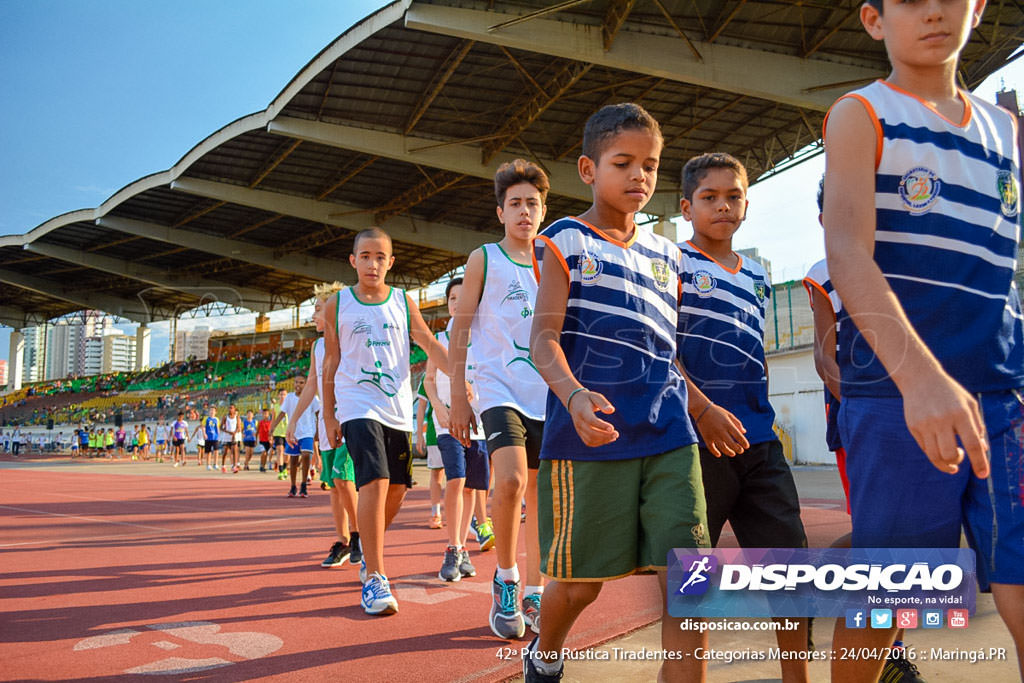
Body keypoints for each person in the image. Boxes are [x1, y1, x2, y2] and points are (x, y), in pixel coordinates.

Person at [823, 1, 1024, 679]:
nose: (933, 10)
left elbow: (1005, 273)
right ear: (874, 19)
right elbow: (848, 255)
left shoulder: (1005, 131)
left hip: (1003, 396)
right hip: (898, 397)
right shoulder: (863, 112)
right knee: (889, 600)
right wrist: (921, 379)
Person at [527, 103, 708, 682]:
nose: (639, 176)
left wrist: (703, 407)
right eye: (623, 162)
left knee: (691, 579)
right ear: (588, 168)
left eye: (650, 165)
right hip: (592, 438)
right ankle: (545, 656)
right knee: (580, 588)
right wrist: (575, 396)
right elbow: (543, 340)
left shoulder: (666, 252)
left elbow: (667, 347)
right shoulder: (565, 240)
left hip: (670, 432)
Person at [675, 151, 810, 681]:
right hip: (695, 447)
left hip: (760, 445)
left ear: (747, 205)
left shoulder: (756, 275)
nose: (723, 206)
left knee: (792, 572)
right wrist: (702, 411)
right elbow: (659, 349)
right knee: (694, 578)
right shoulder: (673, 266)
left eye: (733, 196)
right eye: (709, 198)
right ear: (687, 207)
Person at [321, 226, 450, 616]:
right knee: (374, 480)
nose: (373, 263)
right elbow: (331, 360)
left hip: (398, 407)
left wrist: (459, 383)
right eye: (365, 256)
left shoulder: (402, 302)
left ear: (391, 262)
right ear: (353, 260)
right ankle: (375, 577)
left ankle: (366, 544)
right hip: (357, 404)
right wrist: (328, 413)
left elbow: (429, 344)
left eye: (380, 257)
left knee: (398, 488)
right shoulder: (337, 305)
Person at [448, 159, 550, 639]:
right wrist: (459, 395)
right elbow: (461, 327)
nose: (524, 211)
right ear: (501, 212)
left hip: (546, 394)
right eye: (516, 204)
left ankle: (535, 590)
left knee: (539, 497)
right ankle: (506, 578)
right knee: (507, 482)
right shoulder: (484, 258)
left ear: (543, 210)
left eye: (532, 203)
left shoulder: (554, 261)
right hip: (497, 387)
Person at [287, 282, 361, 568]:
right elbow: (312, 385)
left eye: (318, 309)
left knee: (345, 479)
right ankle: (343, 540)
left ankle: (358, 535)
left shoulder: (351, 339)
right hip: (326, 425)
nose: (313, 315)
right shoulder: (317, 346)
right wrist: (293, 420)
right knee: (333, 485)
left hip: (349, 419)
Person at [424, 277, 490, 582]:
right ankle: (452, 548)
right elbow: (428, 379)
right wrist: (437, 404)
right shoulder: (440, 338)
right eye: (452, 298)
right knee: (456, 479)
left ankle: (462, 548)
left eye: (464, 298)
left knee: (471, 488)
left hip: (479, 426)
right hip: (448, 423)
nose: (457, 302)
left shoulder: (486, 339)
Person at [271, 373, 318, 497]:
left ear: (306, 383)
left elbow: (318, 413)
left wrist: (318, 431)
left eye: (301, 382)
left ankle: (303, 484)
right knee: (293, 459)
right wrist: (273, 425)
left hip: (308, 431)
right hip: (293, 433)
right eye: (296, 382)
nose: (298, 385)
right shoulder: (290, 397)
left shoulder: (312, 397)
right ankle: (293, 486)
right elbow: (282, 413)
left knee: (306, 454)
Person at [415, 382, 445, 529]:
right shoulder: (428, 377)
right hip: (436, 432)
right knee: (437, 472)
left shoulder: (461, 368)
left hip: (460, 429)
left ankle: (469, 513)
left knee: (463, 476)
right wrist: (420, 435)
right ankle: (436, 512)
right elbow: (421, 407)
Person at [191, 406, 219, 470]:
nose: (212, 412)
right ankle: (208, 465)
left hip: (215, 437)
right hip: (208, 437)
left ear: (215, 412)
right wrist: (204, 434)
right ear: (209, 412)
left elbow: (217, 427)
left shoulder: (216, 419)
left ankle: (215, 464)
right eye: (211, 410)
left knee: (216, 451)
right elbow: (203, 427)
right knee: (208, 452)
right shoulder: (206, 419)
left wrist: (218, 435)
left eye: (213, 410)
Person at [271, 389, 289, 480]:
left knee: (287, 453)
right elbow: (273, 419)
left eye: (284, 394)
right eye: (281, 394)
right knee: (280, 450)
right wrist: (271, 430)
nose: (282, 396)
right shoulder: (276, 407)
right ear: (278, 396)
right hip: (278, 432)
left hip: (288, 432)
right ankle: (281, 470)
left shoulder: (290, 406)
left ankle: (285, 467)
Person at [220, 404, 241, 473]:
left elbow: (238, 427)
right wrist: (227, 431)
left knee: (234, 451)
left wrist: (234, 433)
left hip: (233, 436)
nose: (230, 409)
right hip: (226, 436)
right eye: (229, 408)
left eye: (232, 408)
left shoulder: (237, 417)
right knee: (225, 452)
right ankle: (223, 465)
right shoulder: (225, 417)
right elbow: (221, 427)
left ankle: (234, 466)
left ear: (234, 409)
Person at [257, 408, 273, 472]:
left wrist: (272, 439)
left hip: (268, 441)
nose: (265, 415)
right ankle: (261, 465)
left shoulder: (270, 423)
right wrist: (255, 439)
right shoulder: (260, 422)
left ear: (268, 414)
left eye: (266, 414)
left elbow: (272, 432)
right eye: (263, 414)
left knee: (266, 454)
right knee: (263, 453)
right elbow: (257, 431)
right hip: (262, 440)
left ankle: (263, 466)